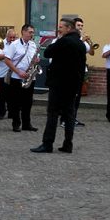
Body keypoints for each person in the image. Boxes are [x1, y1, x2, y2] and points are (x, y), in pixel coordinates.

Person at [31, 19, 86, 154]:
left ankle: (47, 143)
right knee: (69, 114)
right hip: (73, 84)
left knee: (53, 113)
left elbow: (47, 52)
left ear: (68, 28)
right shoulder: (80, 43)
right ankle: (68, 144)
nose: (58, 29)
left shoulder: (64, 40)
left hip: (59, 83)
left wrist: (59, 39)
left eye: (61, 27)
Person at [3, 24, 39, 132]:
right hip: (16, 77)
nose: (32, 34)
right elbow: (7, 60)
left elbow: (34, 59)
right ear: (23, 32)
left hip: (29, 77)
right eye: (30, 32)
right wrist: (18, 71)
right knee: (16, 102)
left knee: (28, 102)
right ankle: (16, 123)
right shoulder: (14, 44)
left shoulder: (33, 45)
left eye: (33, 32)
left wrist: (36, 61)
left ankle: (27, 124)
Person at [0, 29, 16, 120]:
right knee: (3, 94)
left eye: (13, 37)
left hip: (14, 73)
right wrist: (7, 54)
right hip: (3, 73)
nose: (12, 39)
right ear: (6, 36)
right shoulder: (1, 43)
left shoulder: (16, 44)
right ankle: (1, 112)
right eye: (10, 37)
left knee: (13, 94)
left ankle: (12, 112)